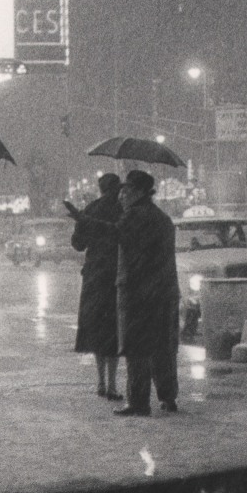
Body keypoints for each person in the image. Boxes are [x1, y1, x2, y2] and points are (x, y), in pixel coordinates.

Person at [65, 169, 180, 417]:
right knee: (163, 347)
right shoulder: (162, 218)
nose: (121, 196)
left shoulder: (136, 216)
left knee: (137, 349)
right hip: (166, 291)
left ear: (138, 192)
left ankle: (138, 403)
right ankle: (168, 397)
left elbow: (115, 232)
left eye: (126, 191)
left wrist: (83, 219)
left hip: (140, 293)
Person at [71, 173, 123, 400]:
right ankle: (112, 384)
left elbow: (78, 244)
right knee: (114, 329)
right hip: (117, 274)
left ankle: (101, 382)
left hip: (94, 275)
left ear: (100, 188)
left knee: (98, 329)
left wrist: (81, 222)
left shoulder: (90, 210)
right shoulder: (123, 210)